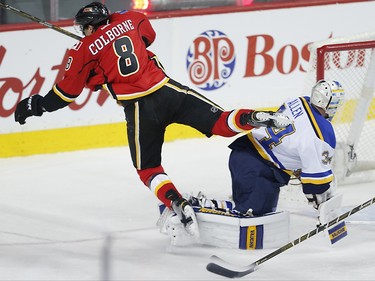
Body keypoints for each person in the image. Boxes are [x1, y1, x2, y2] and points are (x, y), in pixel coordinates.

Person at [13, 2, 291, 238]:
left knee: (148, 169)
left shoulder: (82, 51)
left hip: (139, 109)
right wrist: (107, 60)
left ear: (87, 27)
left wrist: (33, 105)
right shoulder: (131, 18)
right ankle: (256, 116)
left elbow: (64, 95)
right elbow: (146, 38)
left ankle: (177, 203)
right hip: (169, 91)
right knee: (221, 122)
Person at [158, 80, 346, 248]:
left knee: (260, 212)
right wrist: (321, 205)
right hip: (257, 168)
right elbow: (317, 184)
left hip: (248, 154)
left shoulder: (299, 101)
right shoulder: (323, 133)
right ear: (331, 103)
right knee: (251, 216)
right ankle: (186, 210)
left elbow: (294, 139)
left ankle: (197, 204)